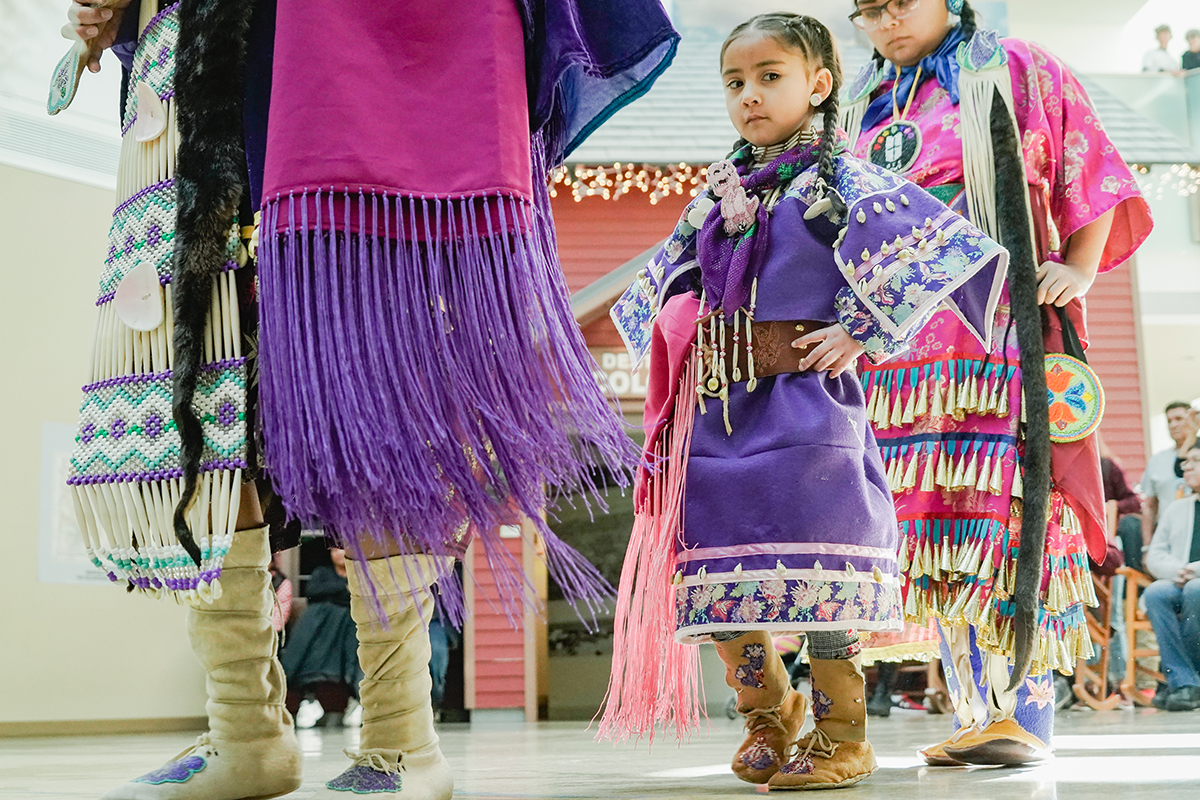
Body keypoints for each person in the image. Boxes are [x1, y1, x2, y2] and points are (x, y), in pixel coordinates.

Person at [58, 1, 679, 798]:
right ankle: (244, 731)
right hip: (210, 76)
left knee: (377, 419)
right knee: (211, 410)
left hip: (367, 72)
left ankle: (400, 739)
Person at [598, 12, 1009, 790]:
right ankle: (768, 711)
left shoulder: (840, 180)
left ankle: (842, 735)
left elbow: (943, 244)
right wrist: (682, 327)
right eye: (735, 82)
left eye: (769, 76)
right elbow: (658, 291)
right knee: (718, 579)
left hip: (808, 408)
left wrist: (862, 325)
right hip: (717, 413)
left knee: (824, 575)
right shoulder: (715, 193)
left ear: (818, 84)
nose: (749, 95)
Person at [843, 0, 1152, 767]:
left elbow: (1093, 168)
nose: (884, 20)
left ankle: (1026, 711)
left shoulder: (1015, 69)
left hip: (998, 335)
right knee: (926, 528)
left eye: (897, 2)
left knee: (1013, 506)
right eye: (866, 10)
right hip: (900, 360)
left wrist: (1077, 266)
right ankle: (975, 712)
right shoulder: (862, 105)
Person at [1143, 444, 1200, 712]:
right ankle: (1184, 681)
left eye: (1195, 461)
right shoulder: (1177, 508)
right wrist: (1179, 571)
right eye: (1186, 461)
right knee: (1155, 593)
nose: (1186, 467)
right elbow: (1155, 555)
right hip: (1182, 580)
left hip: (1194, 584)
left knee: (1195, 591)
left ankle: (1187, 681)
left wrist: (1194, 571)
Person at [281, 549, 361, 728]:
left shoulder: (361, 574)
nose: (339, 553)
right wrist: (343, 589)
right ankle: (310, 700)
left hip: (349, 627)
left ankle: (356, 701)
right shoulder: (322, 572)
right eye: (335, 549)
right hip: (319, 627)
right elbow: (314, 591)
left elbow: (360, 597)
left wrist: (336, 595)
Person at [1141, 402, 1199, 549]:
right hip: (1170, 534)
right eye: (1169, 421)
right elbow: (1149, 505)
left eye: (1179, 418)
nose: (1173, 425)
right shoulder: (1158, 460)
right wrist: (1148, 546)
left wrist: (1193, 433)